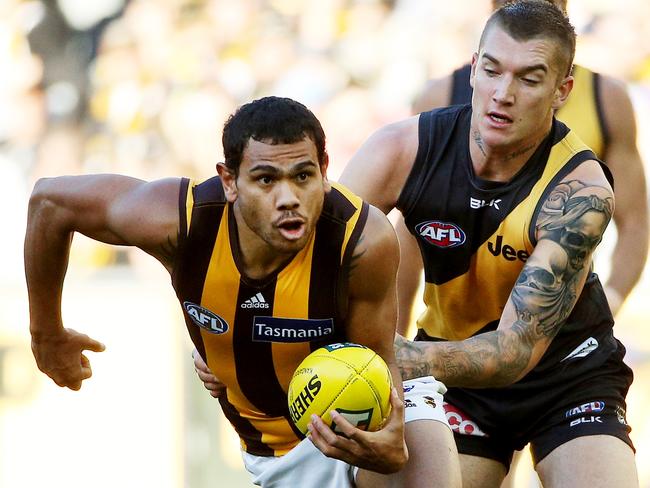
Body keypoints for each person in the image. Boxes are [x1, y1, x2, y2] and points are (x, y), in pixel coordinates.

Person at [25, 96, 460, 487]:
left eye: (303, 175)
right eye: (266, 180)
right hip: (276, 450)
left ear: (324, 172)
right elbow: (50, 201)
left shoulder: (363, 239)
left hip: (359, 413)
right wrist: (47, 334)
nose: (289, 197)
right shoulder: (181, 221)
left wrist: (389, 441)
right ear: (230, 181)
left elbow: (375, 360)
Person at [337, 1, 638, 486]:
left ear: (562, 90)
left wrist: (382, 356)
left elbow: (513, 351)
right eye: (493, 71)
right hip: (452, 373)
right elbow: (314, 261)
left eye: (528, 79)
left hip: (567, 376)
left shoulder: (581, 190)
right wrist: (235, 336)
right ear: (474, 68)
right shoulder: (399, 148)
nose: (503, 94)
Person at [397, 0, 648, 335]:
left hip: (561, 341)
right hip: (453, 332)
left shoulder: (606, 98)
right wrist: (392, 342)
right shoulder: (440, 96)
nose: (503, 94)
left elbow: (634, 221)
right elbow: (409, 232)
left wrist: (611, 300)